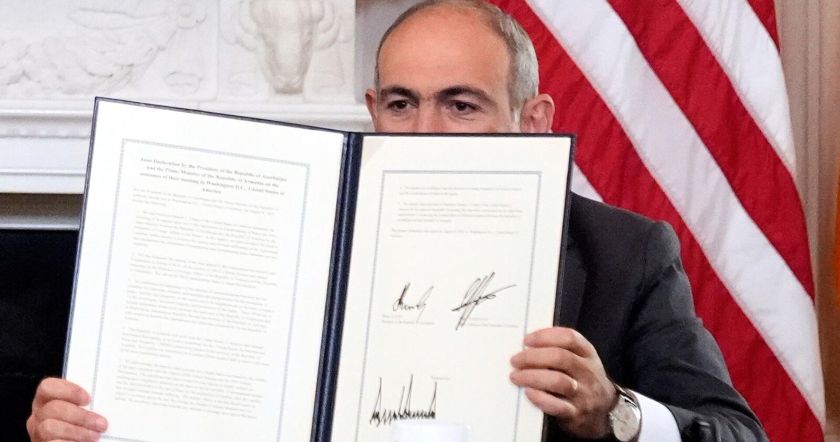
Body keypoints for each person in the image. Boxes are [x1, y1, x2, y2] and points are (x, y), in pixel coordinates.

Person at [27, 1, 768, 441]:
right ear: (373, 110)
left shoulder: (625, 252)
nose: (425, 133)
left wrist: (615, 413)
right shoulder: (290, 231)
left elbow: (737, 432)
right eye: (402, 104)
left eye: (462, 105)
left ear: (533, 121)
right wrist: (84, 424)